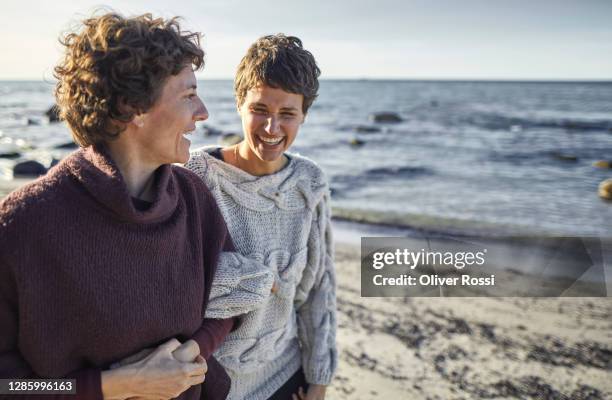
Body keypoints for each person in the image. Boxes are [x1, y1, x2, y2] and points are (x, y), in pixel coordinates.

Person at [0, 12, 274, 400]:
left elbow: (228, 302)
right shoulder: (23, 224)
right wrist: (115, 386)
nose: (203, 112)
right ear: (133, 109)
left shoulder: (192, 198)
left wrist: (191, 351)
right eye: (188, 94)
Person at [186, 34, 337, 400]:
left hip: (286, 375)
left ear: (304, 114)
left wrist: (319, 379)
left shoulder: (309, 182)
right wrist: (249, 277)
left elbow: (320, 288)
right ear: (239, 103)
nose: (272, 129)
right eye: (260, 110)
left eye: (287, 114)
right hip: (210, 383)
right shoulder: (197, 177)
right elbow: (169, 282)